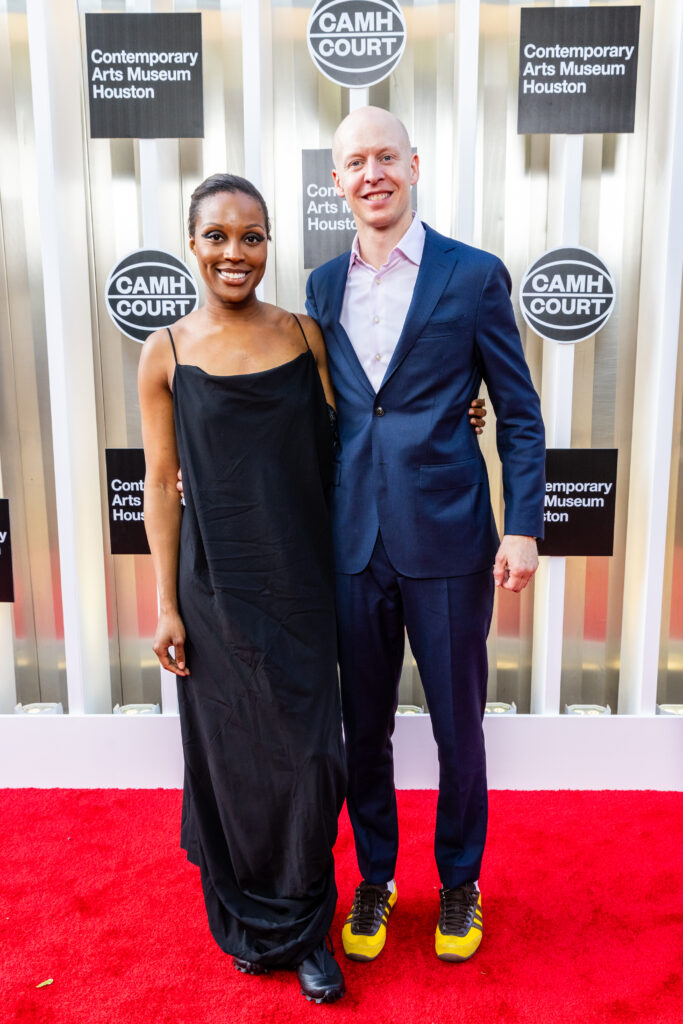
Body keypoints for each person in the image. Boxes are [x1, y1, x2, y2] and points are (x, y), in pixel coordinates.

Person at [305, 107, 545, 964]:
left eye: (384, 157)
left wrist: (522, 525)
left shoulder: (473, 275)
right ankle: (375, 876)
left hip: (448, 538)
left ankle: (460, 882)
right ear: (335, 183)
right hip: (351, 542)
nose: (371, 174)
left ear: (413, 163)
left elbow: (515, 411)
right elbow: (322, 413)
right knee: (360, 726)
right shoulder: (321, 286)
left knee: (456, 723)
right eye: (352, 163)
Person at [138, 174, 348, 1003]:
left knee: (307, 762)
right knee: (236, 765)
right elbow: (160, 483)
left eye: (252, 236)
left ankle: (306, 928)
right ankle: (262, 930)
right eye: (218, 236)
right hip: (214, 589)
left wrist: (453, 415)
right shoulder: (168, 350)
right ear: (191, 243)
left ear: (269, 245)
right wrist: (163, 605)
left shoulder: (305, 334)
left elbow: (354, 438)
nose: (235, 252)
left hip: (302, 583)